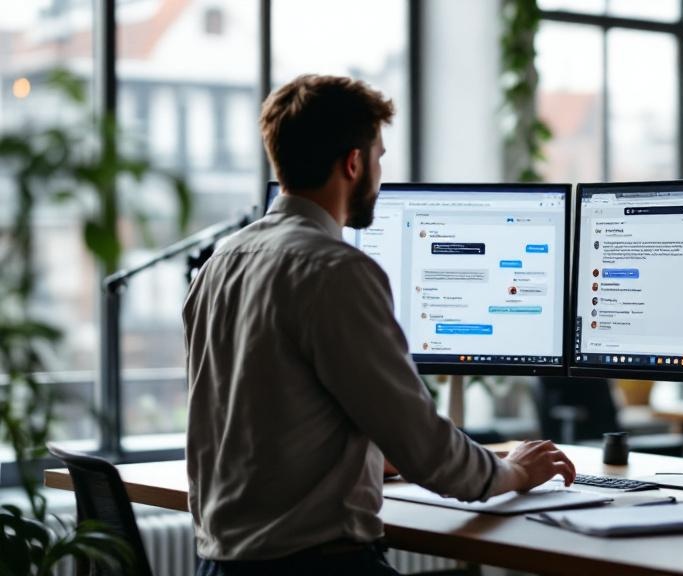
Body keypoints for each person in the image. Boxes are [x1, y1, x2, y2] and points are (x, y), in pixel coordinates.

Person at [184, 74, 576, 575]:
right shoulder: (336, 269)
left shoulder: (222, 262)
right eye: (379, 156)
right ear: (353, 162)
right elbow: (430, 453)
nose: (379, 171)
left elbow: (257, 420)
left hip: (219, 565)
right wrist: (516, 470)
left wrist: (367, 456)